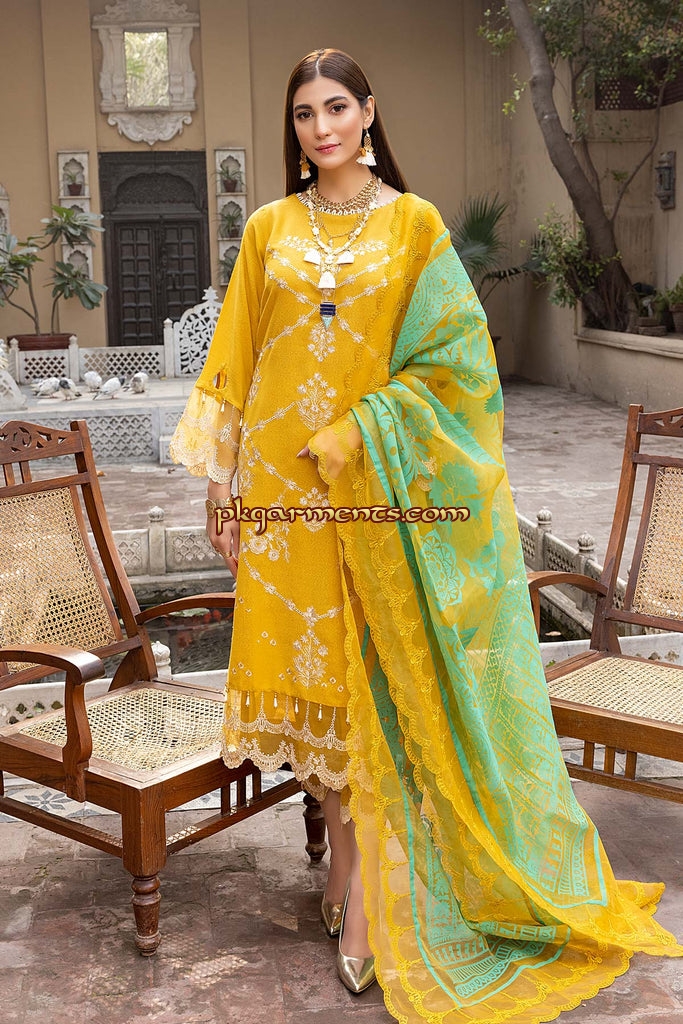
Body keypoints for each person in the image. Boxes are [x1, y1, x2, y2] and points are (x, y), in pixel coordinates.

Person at [171, 47, 681, 1023]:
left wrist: (359, 430)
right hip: (283, 496)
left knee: (371, 684)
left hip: (377, 495)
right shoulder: (270, 227)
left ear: (367, 113)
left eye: (335, 108)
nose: (320, 128)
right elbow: (232, 360)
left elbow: (459, 368)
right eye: (304, 114)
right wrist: (221, 489)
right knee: (316, 692)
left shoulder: (413, 225)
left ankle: (368, 893)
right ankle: (341, 864)